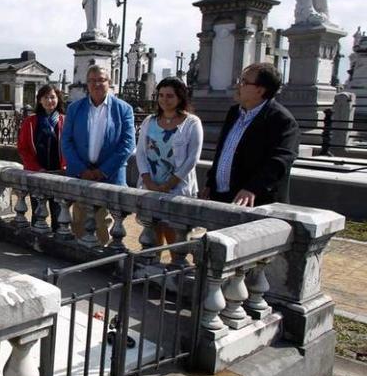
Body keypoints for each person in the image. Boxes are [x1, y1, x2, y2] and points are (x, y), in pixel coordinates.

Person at [203, 63, 299, 207]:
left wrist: (252, 188)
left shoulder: (282, 120)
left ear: (260, 90)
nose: (237, 86)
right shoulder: (234, 112)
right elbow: (224, 151)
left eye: (243, 82)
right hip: (221, 196)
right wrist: (211, 182)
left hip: (255, 202)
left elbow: (280, 161)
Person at [61, 65, 135, 242]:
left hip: (109, 177)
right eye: (92, 80)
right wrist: (81, 169)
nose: (96, 84)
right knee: (79, 220)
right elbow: (66, 141)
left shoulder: (123, 109)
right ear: (87, 84)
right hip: (81, 176)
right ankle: (79, 257)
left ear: (109, 83)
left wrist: (103, 170)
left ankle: (104, 263)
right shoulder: (75, 108)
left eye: (101, 80)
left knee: (105, 224)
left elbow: (128, 144)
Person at [136, 77, 203, 243]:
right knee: (152, 232)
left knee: (175, 235)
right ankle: (152, 266)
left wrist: (168, 185)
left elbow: (192, 159)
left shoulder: (191, 123)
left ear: (180, 97)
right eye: (161, 95)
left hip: (177, 188)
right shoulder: (149, 121)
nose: (164, 100)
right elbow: (141, 153)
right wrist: (148, 182)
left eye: (170, 96)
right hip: (151, 185)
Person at [17, 84, 66, 226]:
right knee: (38, 211)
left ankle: (58, 241)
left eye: (53, 97)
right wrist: (36, 168)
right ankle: (36, 241)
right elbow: (23, 148)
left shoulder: (65, 121)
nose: (50, 100)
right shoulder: (30, 122)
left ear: (58, 99)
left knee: (59, 212)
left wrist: (66, 166)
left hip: (59, 172)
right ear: (40, 100)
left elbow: (70, 146)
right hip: (37, 172)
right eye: (46, 97)